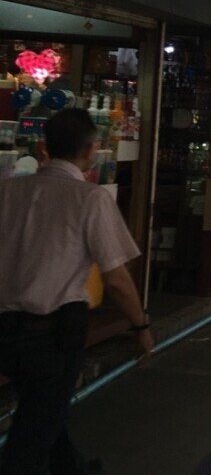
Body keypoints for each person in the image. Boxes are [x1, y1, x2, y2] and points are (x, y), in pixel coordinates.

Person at [0, 108, 153, 475]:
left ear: (43, 147)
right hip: (51, 336)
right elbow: (116, 279)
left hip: (5, 329)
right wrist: (140, 325)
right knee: (33, 434)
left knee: (46, 412)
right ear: (90, 150)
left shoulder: (7, 191)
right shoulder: (90, 198)